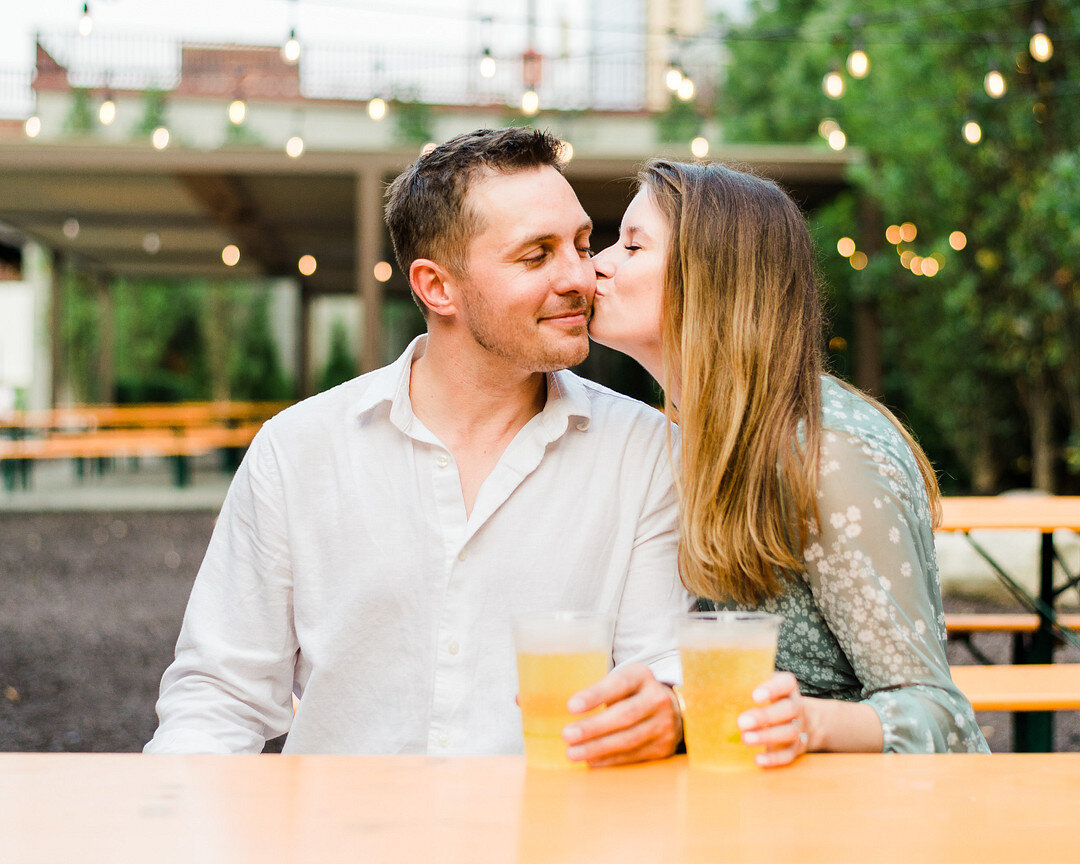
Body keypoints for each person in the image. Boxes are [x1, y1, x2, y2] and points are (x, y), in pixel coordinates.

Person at [145, 128, 689, 763]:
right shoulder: (296, 452)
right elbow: (218, 698)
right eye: (536, 256)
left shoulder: (647, 452)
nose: (582, 276)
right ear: (438, 288)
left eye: (579, 243)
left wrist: (668, 708)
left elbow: (663, 670)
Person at [588, 159, 989, 765]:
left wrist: (811, 722)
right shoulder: (695, 435)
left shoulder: (826, 454)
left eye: (633, 245)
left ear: (714, 276)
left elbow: (938, 716)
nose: (600, 264)